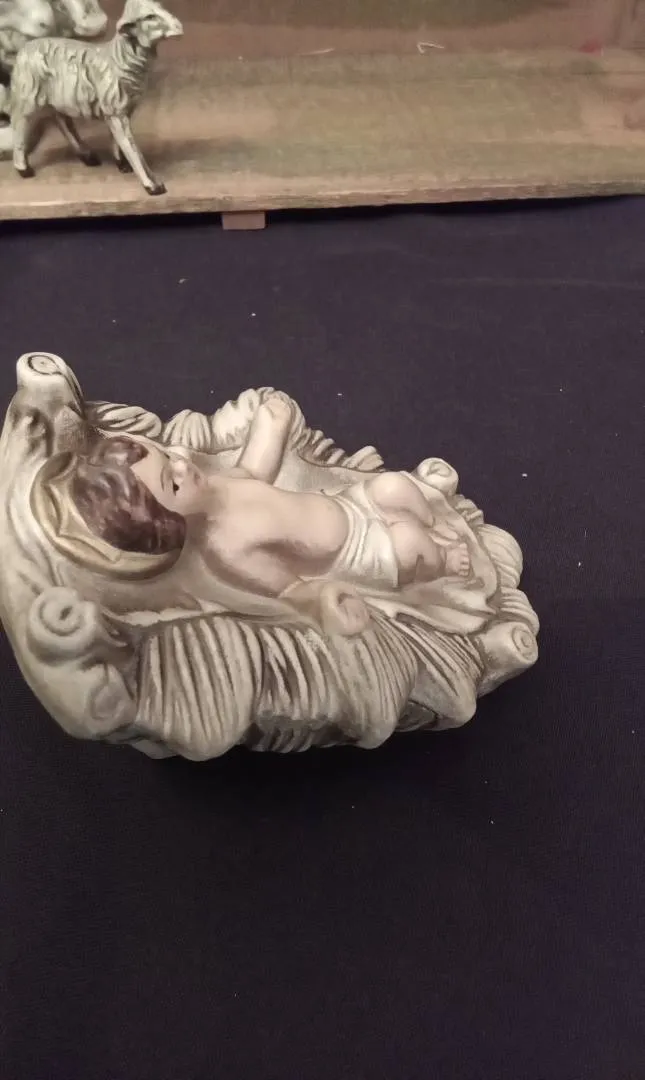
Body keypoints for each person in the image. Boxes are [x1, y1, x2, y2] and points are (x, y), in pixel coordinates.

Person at [71, 394, 470, 613]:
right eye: (171, 483)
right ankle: (445, 562)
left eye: (168, 458)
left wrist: (270, 426)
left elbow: (254, 470)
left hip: (347, 507)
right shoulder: (228, 549)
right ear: (170, 523)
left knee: (393, 487)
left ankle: (438, 525)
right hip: (358, 555)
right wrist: (324, 603)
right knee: (408, 543)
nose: (183, 467)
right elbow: (289, 589)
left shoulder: (220, 485)